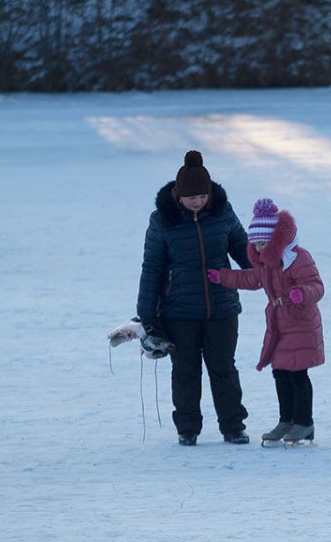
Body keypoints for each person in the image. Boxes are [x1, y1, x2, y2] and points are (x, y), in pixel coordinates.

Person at [136, 150, 251, 446]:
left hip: (222, 306)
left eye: (203, 196)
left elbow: (242, 248)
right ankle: (187, 428)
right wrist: (147, 313)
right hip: (179, 311)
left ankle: (233, 426)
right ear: (179, 196)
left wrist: (264, 274)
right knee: (186, 371)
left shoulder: (223, 212)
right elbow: (152, 267)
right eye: (192, 197)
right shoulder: (162, 221)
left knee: (224, 368)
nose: (198, 201)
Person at [208, 198, 325, 444]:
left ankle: (304, 422)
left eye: (263, 243)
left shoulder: (298, 258)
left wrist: (301, 293)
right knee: (281, 371)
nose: (259, 249)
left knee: (297, 374)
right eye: (256, 244)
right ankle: (287, 420)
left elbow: (316, 286)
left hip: (301, 322)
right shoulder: (266, 265)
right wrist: (223, 277)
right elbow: (251, 279)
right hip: (279, 325)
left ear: (276, 241)